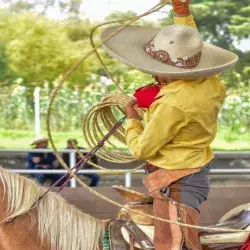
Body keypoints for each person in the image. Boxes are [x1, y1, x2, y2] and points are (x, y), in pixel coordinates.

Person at [101, 0, 238, 249]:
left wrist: (132, 117)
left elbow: (142, 150)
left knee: (175, 244)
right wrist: (182, 14)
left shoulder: (173, 103)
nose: (154, 75)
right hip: (189, 173)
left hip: (178, 183)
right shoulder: (211, 80)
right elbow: (187, 42)